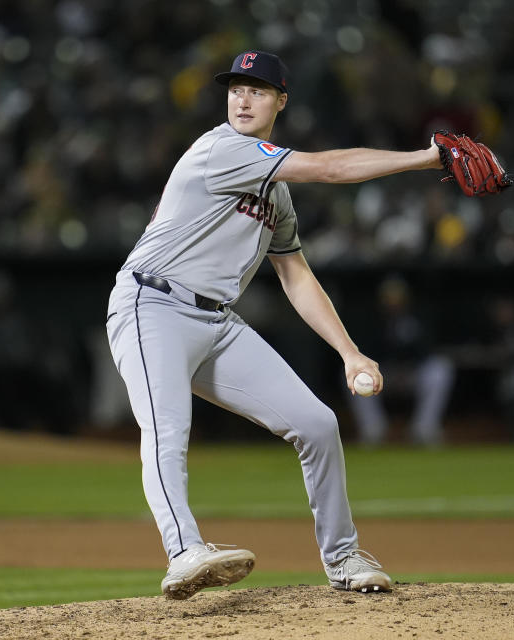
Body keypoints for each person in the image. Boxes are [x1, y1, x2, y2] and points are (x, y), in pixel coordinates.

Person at [106, 50, 448, 599]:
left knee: (317, 423)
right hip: (152, 306)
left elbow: (296, 276)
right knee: (167, 429)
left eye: (258, 90)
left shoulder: (276, 193)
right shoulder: (222, 149)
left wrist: (350, 353)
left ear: (280, 101)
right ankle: (183, 551)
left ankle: (343, 557)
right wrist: (426, 158)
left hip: (215, 321)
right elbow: (331, 168)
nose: (243, 98)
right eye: (236, 87)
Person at [347, 275, 455, 447]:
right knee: (352, 372)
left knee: (440, 369)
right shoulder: (372, 320)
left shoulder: (418, 317)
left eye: (397, 297)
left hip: (412, 372)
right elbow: (365, 351)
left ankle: (424, 428)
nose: (393, 302)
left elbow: (427, 349)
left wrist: (407, 366)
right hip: (382, 374)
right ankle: (373, 429)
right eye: (389, 298)